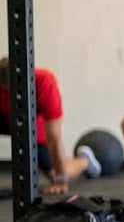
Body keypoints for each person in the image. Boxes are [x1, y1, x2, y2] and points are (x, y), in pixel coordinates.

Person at [0, 56, 102, 195]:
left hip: (33, 126)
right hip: (5, 118)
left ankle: (83, 161)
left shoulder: (45, 82)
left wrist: (61, 181)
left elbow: (54, 137)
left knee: (55, 174)